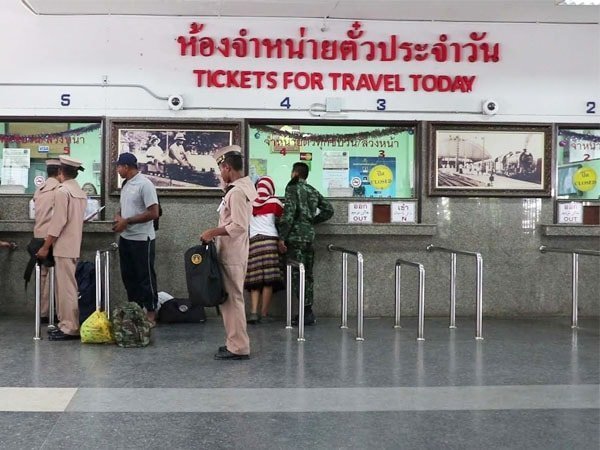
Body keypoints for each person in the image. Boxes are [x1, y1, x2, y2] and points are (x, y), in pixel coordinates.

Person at [200, 145, 257, 360]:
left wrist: (212, 232)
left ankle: (239, 347)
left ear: (226, 167)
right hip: (231, 253)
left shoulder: (237, 192)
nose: (220, 174)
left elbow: (239, 225)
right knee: (230, 301)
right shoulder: (240, 189)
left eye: (220, 169)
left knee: (233, 301)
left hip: (232, 255)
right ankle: (234, 342)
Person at [36, 156, 87, 341]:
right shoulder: (80, 192)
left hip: (63, 247)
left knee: (66, 289)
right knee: (68, 287)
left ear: (60, 172)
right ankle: (66, 323)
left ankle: (69, 327)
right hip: (74, 245)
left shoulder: (62, 192)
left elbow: (57, 224)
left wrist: (45, 246)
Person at [278, 162, 334, 326]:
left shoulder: (292, 188)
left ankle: (305, 313)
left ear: (294, 173)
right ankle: (308, 311)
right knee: (307, 274)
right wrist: (310, 221)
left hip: (295, 238)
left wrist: (282, 237)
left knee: (297, 275)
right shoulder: (312, 190)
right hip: (309, 236)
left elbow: (288, 214)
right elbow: (329, 210)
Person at [112, 153, 160, 326]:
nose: (117, 170)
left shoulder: (145, 184)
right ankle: (135, 310)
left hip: (142, 239)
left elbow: (154, 213)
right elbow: (123, 208)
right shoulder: (126, 184)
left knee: (145, 277)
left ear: (126, 166)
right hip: (126, 238)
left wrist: (128, 221)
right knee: (129, 277)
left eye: (118, 166)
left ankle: (151, 313)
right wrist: (119, 216)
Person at [244, 176, 284, 324]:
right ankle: (264, 313)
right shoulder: (274, 201)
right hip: (269, 242)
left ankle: (253, 313)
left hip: (253, 242)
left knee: (255, 280)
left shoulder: (249, 202)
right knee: (268, 281)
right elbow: (284, 217)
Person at [32, 159, 61, 323]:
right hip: (51, 238)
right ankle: (50, 312)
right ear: (59, 172)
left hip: (38, 236)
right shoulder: (58, 190)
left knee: (42, 275)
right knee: (52, 275)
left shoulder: (39, 190)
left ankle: (42, 312)